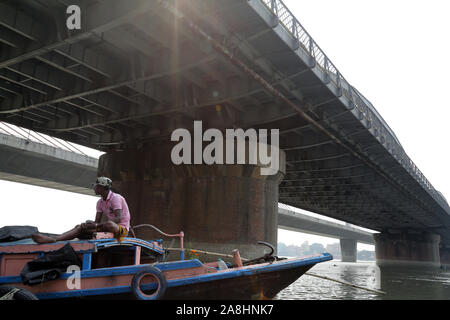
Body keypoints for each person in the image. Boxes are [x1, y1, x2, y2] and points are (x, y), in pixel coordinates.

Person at [32, 177, 131, 244]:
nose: (94, 188)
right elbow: (97, 222)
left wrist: (96, 225)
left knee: (109, 224)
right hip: (106, 227)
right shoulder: (99, 202)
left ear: (101, 187)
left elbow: (118, 218)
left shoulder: (115, 198)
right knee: (80, 227)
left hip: (121, 229)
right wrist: (90, 224)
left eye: (96, 186)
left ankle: (55, 238)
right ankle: (54, 239)